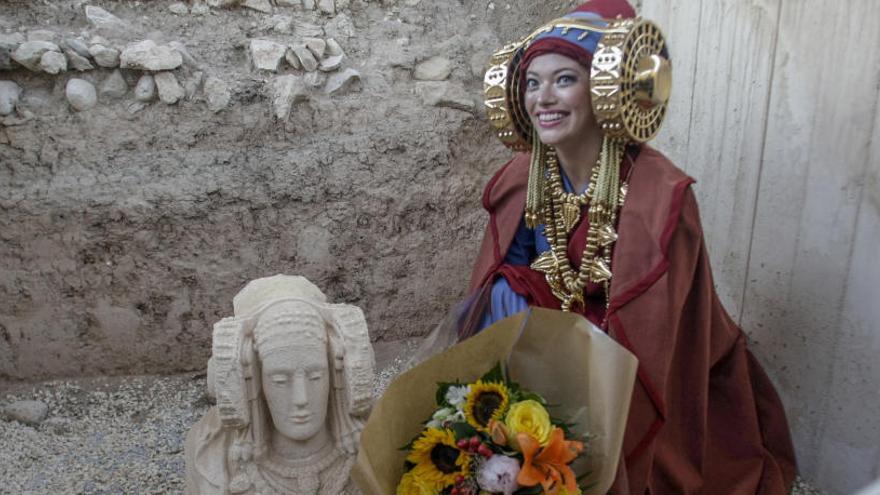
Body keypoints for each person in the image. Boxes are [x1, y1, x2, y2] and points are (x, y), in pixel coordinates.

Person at [465, 0, 798, 493]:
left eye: (564, 79)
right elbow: (509, 276)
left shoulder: (659, 195)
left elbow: (658, 328)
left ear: (606, 91)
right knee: (502, 293)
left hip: (637, 355)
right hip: (561, 334)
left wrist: (579, 351)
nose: (542, 98)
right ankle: (517, 435)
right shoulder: (526, 177)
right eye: (532, 83)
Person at [184, 275, 374, 495]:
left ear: (337, 371)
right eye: (280, 380)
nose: (301, 398)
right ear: (251, 379)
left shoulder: (380, 437)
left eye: (315, 376)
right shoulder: (211, 455)